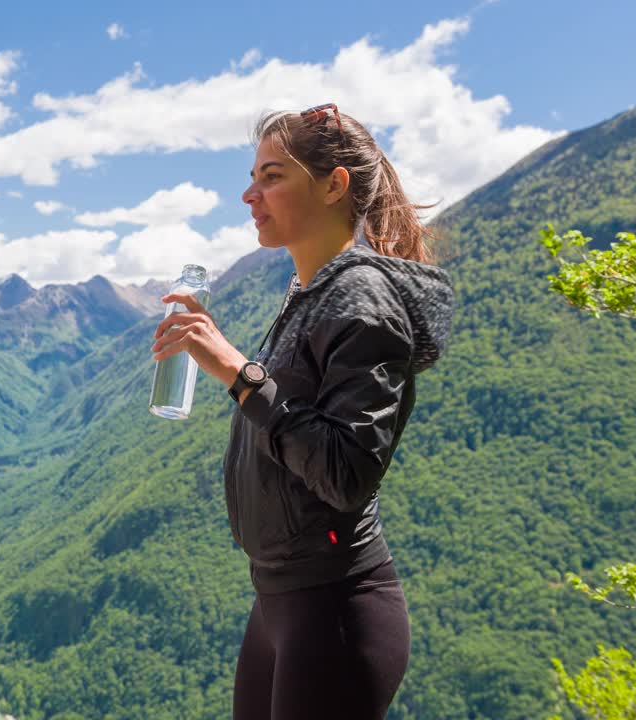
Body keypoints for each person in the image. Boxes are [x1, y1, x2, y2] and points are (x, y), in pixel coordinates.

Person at [149, 104, 455, 719]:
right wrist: (237, 369)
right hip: (283, 601)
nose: (248, 193)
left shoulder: (362, 299)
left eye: (271, 176)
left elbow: (346, 471)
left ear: (334, 185)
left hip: (334, 610)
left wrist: (238, 373)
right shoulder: (312, 293)